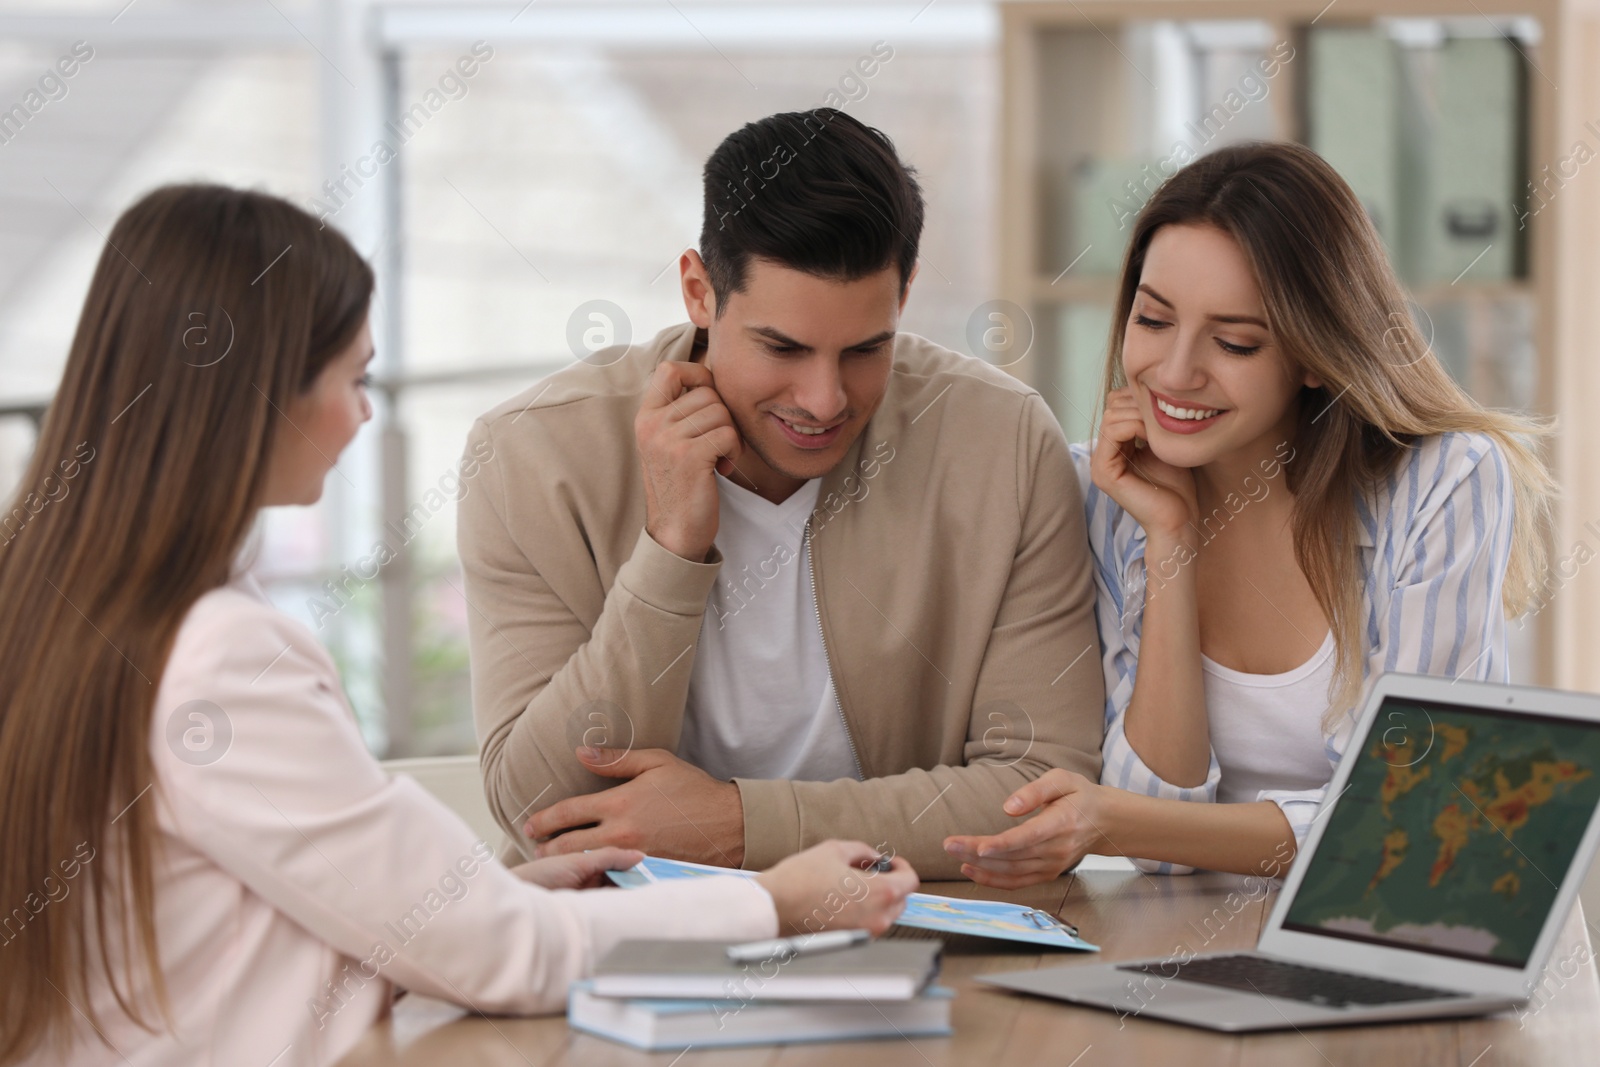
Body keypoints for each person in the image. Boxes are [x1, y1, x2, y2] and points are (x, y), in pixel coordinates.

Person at [0, 185, 917, 1067]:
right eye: (353, 377)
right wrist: (776, 902)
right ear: (259, 391)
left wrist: (494, 903)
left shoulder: (58, 605)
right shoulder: (220, 658)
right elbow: (499, 954)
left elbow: (222, 930)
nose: (365, 413)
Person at [457, 108, 1105, 878]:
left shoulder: (1002, 443)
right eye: (782, 348)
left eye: (865, 349)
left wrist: (740, 826)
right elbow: (539, 805)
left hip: (906, 943)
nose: (825, 399)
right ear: (700, 291)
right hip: (619, 946)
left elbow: (1040, 791)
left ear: (905, 295)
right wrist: (670, 549)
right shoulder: (533, 455)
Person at [944, 140, 1554, 884]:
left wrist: (1115, 820)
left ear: (1313, 354)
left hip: (1383, 933)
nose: (1173, 373)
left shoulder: (1442, 481)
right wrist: (1170, 536)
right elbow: (1155, 849)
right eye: (1154, 320)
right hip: (1176, 940)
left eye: (1233, 341)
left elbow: (1411, 817)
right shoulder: (1099, 492)